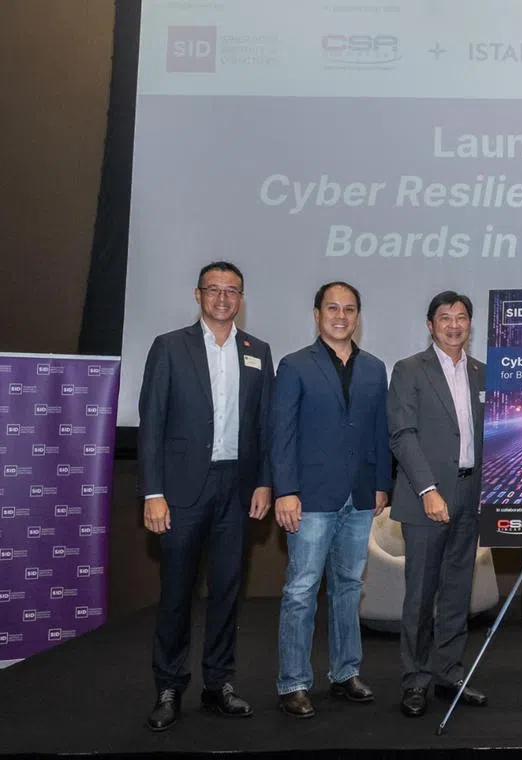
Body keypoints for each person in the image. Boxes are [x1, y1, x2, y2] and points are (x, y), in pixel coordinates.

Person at [138, 261, 274, 731]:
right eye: (213, 290)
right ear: (198, 295)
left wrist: (264, 481)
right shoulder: (170, 347)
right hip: (180, 492)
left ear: (241, 298)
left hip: (236, 489)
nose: (222, 298)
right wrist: (153, 493)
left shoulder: (258, 351)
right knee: (176, 592)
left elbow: (263, 425)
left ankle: (219, 684)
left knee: (227, 592)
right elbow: (152, 425)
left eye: (231, 290)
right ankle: (170, 685)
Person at [272, 281, 392, 719]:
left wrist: (382, 483)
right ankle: (293, 682)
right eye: (333, 308)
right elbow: (281, 435)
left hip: (360, 497)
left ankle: (345, 673)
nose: (341, 316)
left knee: (348, 588)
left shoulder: (376, 368)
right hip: (311, 499)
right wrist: (285, 490)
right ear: (317, 313)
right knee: (302, 590)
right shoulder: (294, 366)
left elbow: (380, 430)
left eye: (350, 309)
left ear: (358, 316)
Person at [388, 291, 487, 718]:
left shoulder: (484, 372)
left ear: (470, 324)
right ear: (430, 324)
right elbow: (402, 435)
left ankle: (450, 673)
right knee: (421, 595)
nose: (453, 325)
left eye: (461, 317)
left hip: (472, 494)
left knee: (456, 593)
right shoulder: (409, 370)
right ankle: (416, 680)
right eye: (444, 318)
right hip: (428, 496)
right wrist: (428, 490)